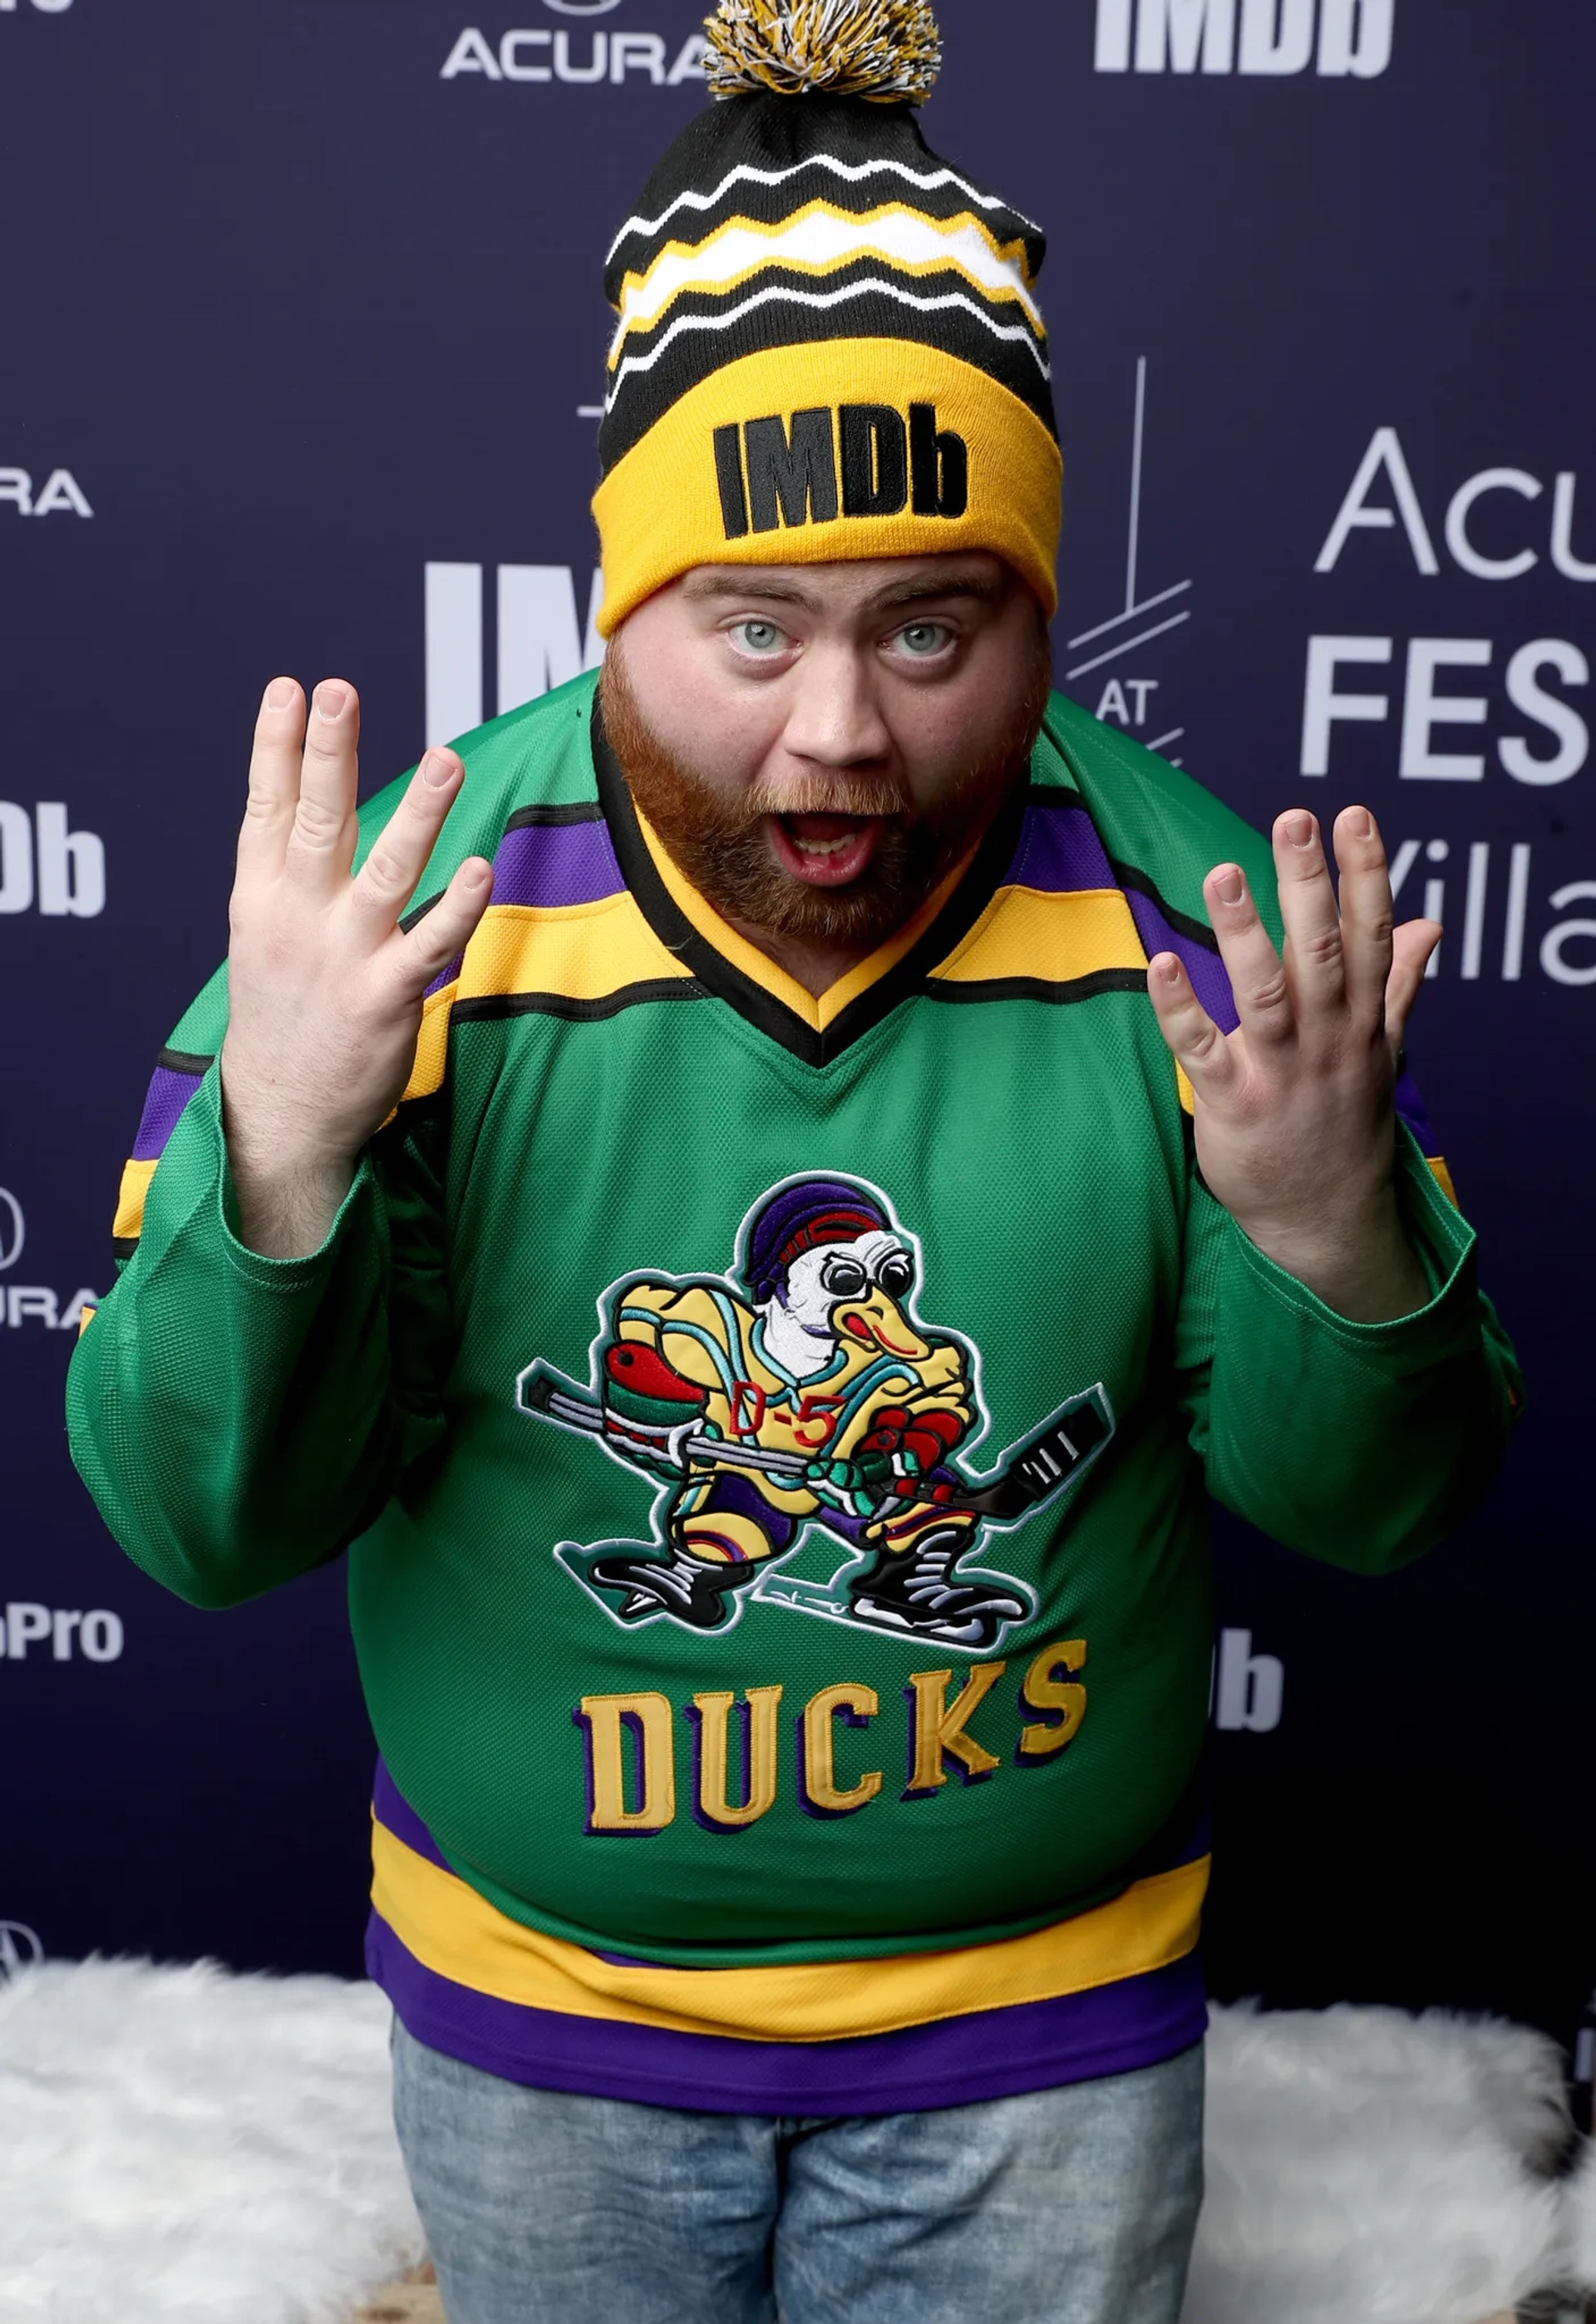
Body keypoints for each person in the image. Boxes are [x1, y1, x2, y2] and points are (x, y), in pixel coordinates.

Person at [67, 3, 1521, 2318]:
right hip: (545, 2031)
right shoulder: (398, 936)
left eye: (932, 629)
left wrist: (1335, 1230)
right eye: (754, 626)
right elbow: (192, 1524)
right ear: (616, 599)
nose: (840, 735)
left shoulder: (1193, 935)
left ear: (1038, 613)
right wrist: (284, 1163)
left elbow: (1381, 1504)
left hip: (1043, 2041)